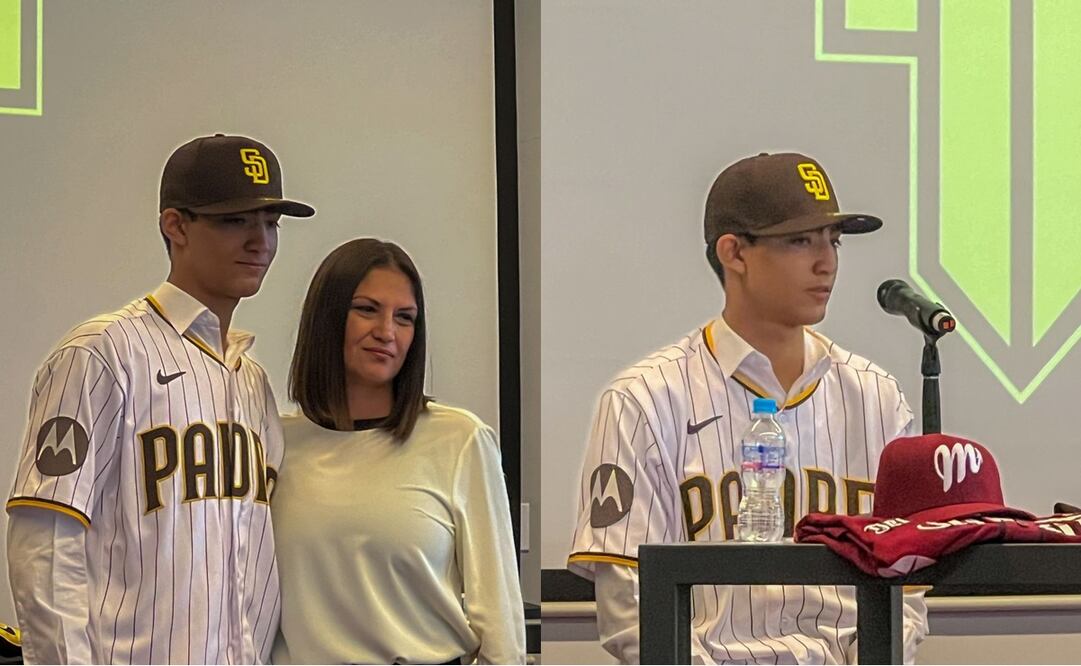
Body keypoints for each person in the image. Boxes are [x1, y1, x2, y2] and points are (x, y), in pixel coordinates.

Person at [567, 152, 928, 663]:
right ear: (734, 253)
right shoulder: (643, 398)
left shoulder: (877, 396)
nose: (827, 262)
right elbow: (629, 601)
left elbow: (909, 586)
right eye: (800, 241)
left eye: (834, 240)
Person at [5, 133, 314, 664]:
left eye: (270, 223)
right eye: (235, 220)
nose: (259, 241)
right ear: (176, 225)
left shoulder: (252, 380)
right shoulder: (102, 352)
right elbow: (46, 546)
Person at [271, 238, 525, 665]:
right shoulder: (273, 442)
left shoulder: (458, 439)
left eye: (404, 318)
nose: (386, 331)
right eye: (367, 309)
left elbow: (500, 624)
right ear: (328, 317)